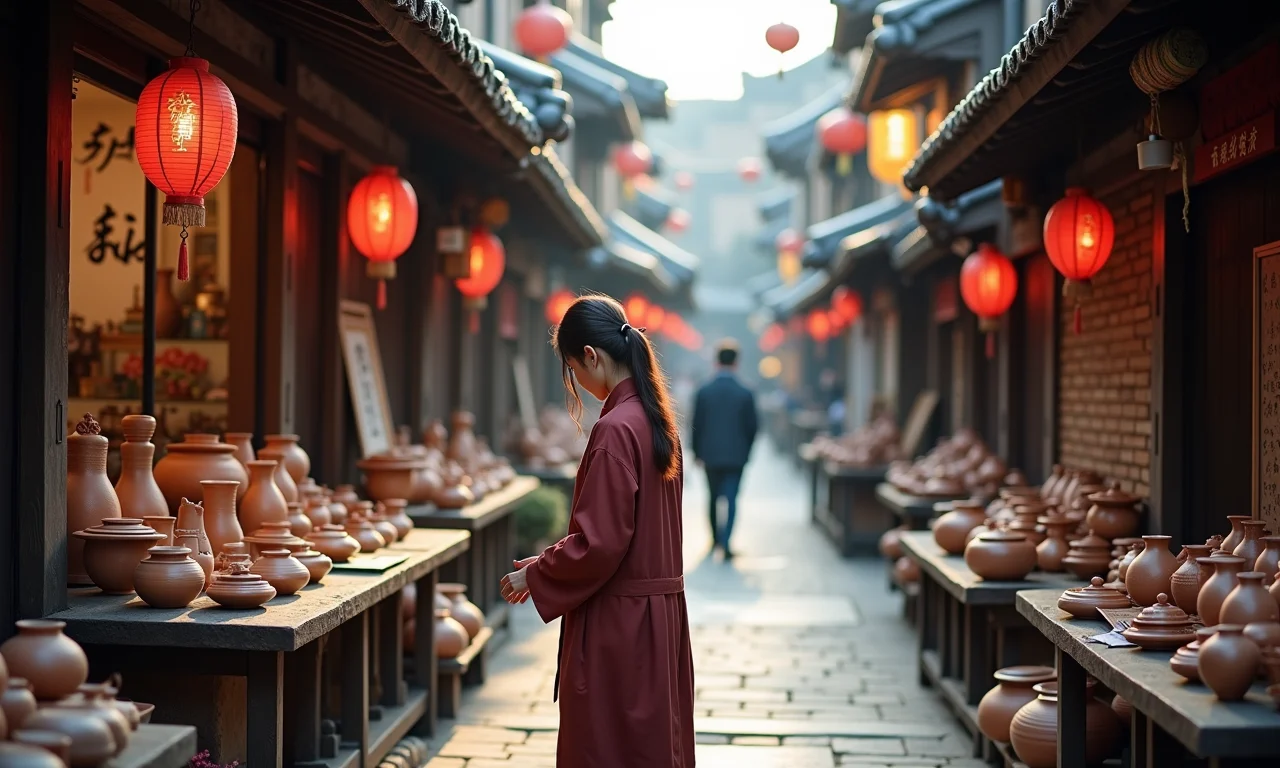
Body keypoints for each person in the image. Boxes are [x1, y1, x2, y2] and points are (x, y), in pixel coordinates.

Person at [498, 295, 695, 767]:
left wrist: (538, 574)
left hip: (619, 626)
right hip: (659, 621)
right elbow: (622, 533)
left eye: (573, 369)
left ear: (590, 356)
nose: (579, 383)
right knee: (651, 749)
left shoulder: (615, 430)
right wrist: (549, 561)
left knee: (606, 750)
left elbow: (600, 544)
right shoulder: (655, 420)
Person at [690, 340, 758, 559]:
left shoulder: (704, 391)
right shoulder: (745, 392)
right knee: (731, 499)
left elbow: (696, 424)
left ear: (716, 362)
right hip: (736, 456)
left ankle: (714, 540)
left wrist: (696, 452)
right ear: (736, 362)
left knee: (712, 497)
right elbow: (753, 427)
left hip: (710, 455)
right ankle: (726, 542)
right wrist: (746, 451)